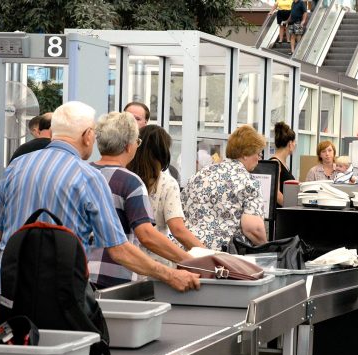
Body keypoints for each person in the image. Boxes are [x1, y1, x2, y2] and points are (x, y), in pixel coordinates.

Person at [0, 101, 199, 320]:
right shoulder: (87, 177)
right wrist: (170, 274)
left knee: (13, 351)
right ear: (87, 135)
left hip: (9, 288)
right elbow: (119, 249)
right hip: (59, 293)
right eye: (93, 134)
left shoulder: (15, 167)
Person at [88, 112, 196, 287]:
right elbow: (146, 235)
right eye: (137, 142)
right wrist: (190, 261)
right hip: (115, 276)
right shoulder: (129, 181)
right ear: (129, 146)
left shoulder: (82, 172)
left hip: (79, 274)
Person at [182, 125, 267, 251]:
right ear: (245, 154)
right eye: (258, 154)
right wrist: (267, 247)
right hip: (223, 256)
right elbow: (253, 229)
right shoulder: (248, 182)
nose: (259, 159)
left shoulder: (201, 173)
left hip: (189, 249)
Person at [127, 125, 205, 256]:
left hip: (127, 258)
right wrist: (209, 254)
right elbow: (178, 229)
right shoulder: (167, 184)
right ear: (163, 153)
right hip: (155, 261)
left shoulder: (125, 178)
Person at [270, 121, 296, 206]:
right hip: (279, 215)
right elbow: (276, 194)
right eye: (294, 142)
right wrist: (293, 208)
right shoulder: (275, 163)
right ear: (290, 144)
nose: (295, 145)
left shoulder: (283, 164)